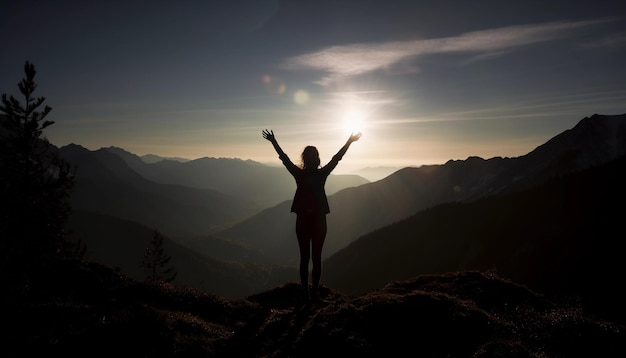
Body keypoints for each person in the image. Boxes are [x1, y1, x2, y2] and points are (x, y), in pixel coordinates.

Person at [262, 129, 361, 301]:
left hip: (303, 220)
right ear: (316, 159)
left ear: (304, 159)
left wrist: (273, 141)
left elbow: (284, 158)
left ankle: (306, 293)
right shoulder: (321, 174)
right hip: (319, 220)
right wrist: (349, 142)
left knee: (305, 258)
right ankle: (313, 293)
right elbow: (337, 158)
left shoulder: (299, 174)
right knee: (316, 257)